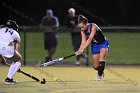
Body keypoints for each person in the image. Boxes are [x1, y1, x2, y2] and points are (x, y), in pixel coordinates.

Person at [75, 15, 109, 80]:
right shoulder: (82, 30)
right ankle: (101, 71)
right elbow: (83, 41)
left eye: (82, 26)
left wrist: (83, 49)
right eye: (80, 27)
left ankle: (99, 76)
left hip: (103, 44)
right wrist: (79, 50)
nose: (81, 28)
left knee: (102, 58)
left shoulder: (93, 26)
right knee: (95, 66)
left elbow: (90, 39)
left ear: (86, 24)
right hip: (95, 46)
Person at [0, 20, 22, 84]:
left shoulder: (1, 29)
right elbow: (16, 48)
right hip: (6, 48)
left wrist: (2, 59)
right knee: (18, 59)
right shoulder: (15, 33)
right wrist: (16, 65)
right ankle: (9, 79)